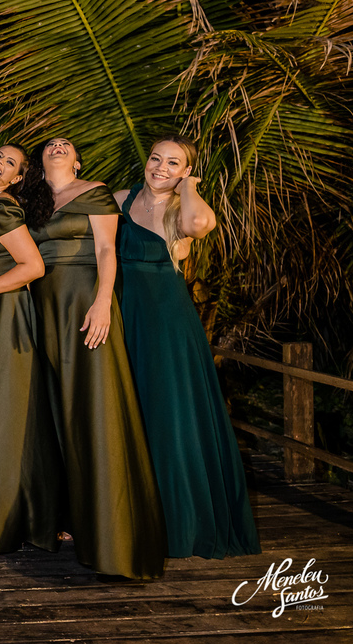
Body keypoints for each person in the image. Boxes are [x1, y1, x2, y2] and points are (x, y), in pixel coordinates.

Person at [27, 136, 166, 580]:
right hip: (43, 307)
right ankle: (69, 518)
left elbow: (107, 249)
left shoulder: (95, 191)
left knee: (96, 406)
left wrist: (104, 301)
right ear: (40, 161)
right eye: (50, 144)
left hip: (84, 301)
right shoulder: (32, 202)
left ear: (78, 160)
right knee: (58, 411)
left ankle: (115, 537)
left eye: (66, 144)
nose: (58, 146)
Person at [115, 134, 260, 558]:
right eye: (156, 158)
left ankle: (178, 519)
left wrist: (189, 187)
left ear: (185, 170)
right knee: (127, 407)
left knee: (168, 412)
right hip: (122, 314)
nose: (160, 167)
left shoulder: (183, 208)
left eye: (173, 163)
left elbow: (200, 226)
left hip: (165, 322)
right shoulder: (122, 199)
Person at [0, 144, 62, 553]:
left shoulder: (4, 208)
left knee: (7, 412)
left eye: (9, 163)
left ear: (18, 177)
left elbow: (33, 267)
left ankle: (5, 519)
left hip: (3, 314)